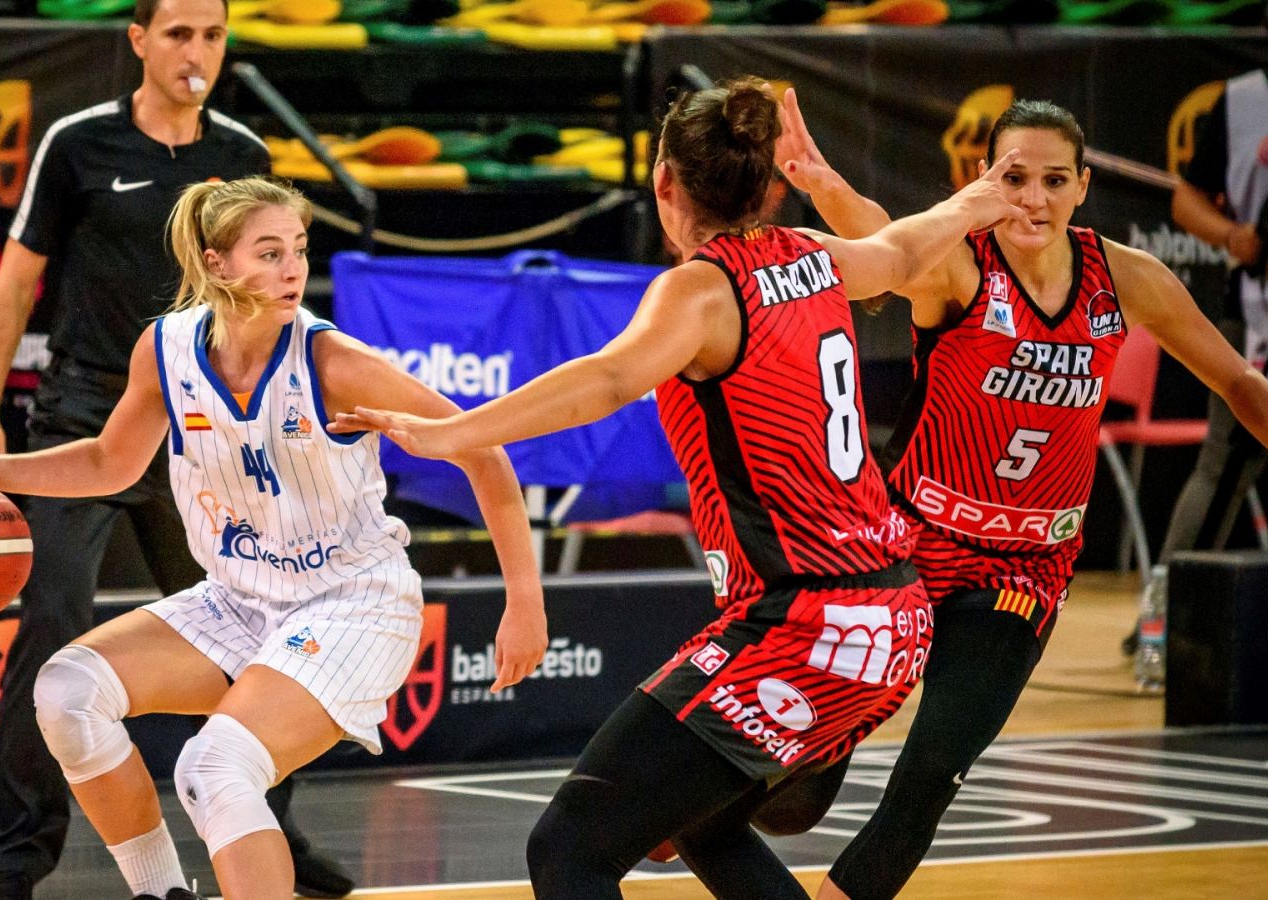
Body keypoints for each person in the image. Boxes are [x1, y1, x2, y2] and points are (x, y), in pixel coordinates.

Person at [331, 76, 1030, 898]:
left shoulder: (702, 288)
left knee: (568, 850)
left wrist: (452, 433)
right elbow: (905, 253)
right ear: (769, 184)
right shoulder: (812, 256)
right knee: (693, 818)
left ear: (664, 183)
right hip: (892, 615)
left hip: (807, 622)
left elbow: (606, 380)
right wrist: (973, 202)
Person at [0, 177, 549, 899]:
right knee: (66, 690)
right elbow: (109, 462)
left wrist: (524, 602)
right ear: (215, 264)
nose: (293, 270)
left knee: (214, 768)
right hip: (240, 598)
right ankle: (159, 893)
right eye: (269, 253)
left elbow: (482, 451)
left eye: (299, 251)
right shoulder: (167, 349)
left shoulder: (333, 364)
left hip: (353, 604)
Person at [772, 91, 1268, 900]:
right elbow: (882, 240)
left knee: (931, 772)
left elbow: (1237, 380)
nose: (1032, 199)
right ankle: (691, 807)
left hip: (1024, 574)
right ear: (984, 179)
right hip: (909, 554)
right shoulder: (962, 263)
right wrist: (821, 183)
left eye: (1052, 180)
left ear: (1081, 187)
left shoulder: (1128, 278)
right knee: (793, 800)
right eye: (1014, 178)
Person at [0, 1, 351, 896]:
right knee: (51, 634)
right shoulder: (78, 142)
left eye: (211, 35)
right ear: (138, 41)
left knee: (259, 621)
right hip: (89, 416)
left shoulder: (242, 152)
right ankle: (15, 862)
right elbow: (15, 286)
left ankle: (272, 829)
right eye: (178, 34)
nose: (196, 53)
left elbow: (266, 307)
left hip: (205, 428)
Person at [1152, 48, 1268, 596]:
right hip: (1256, 308)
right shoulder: (1243, 99)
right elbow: (1186, 200)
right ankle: (1169, 611)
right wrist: (1232, 236)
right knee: (1222, 464)